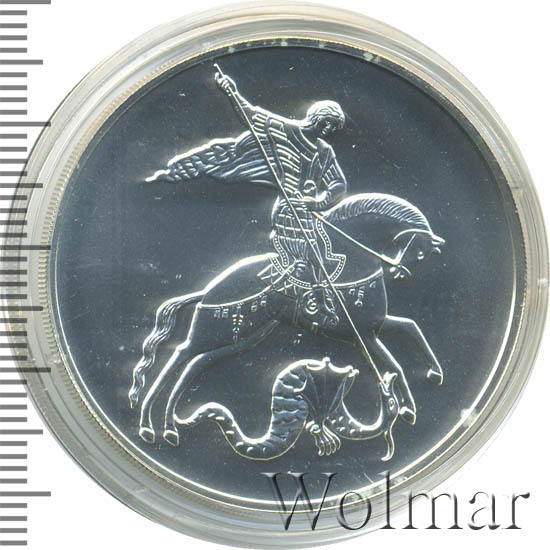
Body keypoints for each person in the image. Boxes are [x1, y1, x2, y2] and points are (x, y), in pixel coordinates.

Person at [148, 71, 348, 323]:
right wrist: (230, 91)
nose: (329, 129)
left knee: (325, 248)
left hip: (310, 211)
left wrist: (319, 202)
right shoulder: (283, 130)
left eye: (333, 127)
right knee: (312, 252)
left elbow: (339, 184)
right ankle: (313, 302)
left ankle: (312, 296)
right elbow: (251, 114)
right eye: (327, 122)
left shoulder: (324, 150)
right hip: (288, 210)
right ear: (317, 117)